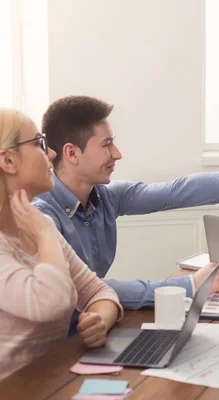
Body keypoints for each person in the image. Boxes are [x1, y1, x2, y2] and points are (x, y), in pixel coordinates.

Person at [32, 96, 219, 327]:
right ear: (71, 153)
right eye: (106, 145)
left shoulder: (105, 197)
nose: (117, 153)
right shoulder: (41, 216)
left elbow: (179, 191)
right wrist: (184, 287)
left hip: (95, 325)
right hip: (56, 341)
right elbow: (82, 289)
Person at [0, 109, 123, 380]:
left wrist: (100, 320)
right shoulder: (42, 228)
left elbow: (98, 292)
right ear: (8, 160)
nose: (52, 154)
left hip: (51, 382)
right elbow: (51, 303)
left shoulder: (40, 224)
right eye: (39, 144)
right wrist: (45, 234)